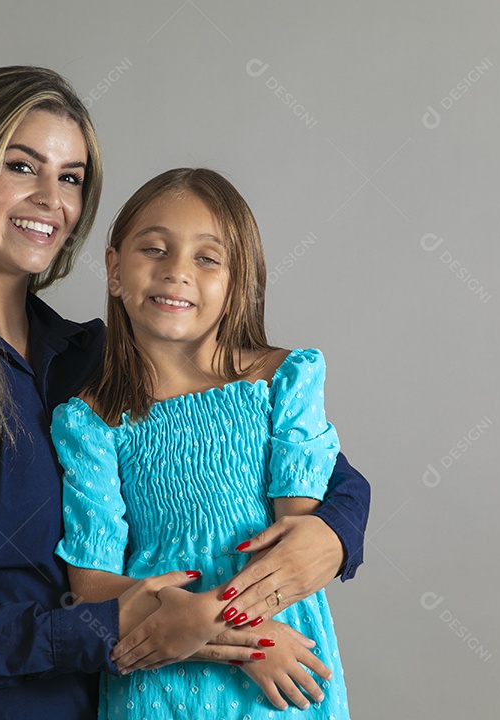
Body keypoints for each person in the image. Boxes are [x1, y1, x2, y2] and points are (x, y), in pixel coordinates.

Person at [0, 66, 369, 720]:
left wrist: (333, 535)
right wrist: (116, 628)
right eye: (22, 166)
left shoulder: (97, 359)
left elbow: (308, 459)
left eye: (71, 178)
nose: (51, 198)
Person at [53, 168, 351, 718]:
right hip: (158, 675)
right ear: (115, 270)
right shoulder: (89, 424)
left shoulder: (283, 382)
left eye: (206, 258)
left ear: (238, 283)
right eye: (154, 250)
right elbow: (91, 585)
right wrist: (205, 625)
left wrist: (244, 634)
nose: (176, 273)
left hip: (279, 669)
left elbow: (294, 547)